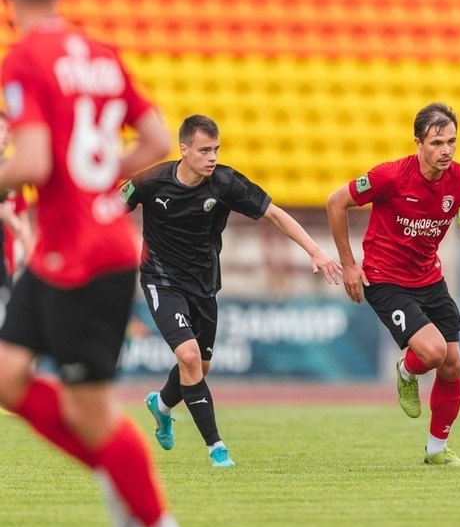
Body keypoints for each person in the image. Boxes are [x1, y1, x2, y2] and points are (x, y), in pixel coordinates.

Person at [0, 0, 183, 527]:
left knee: (90, 410)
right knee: (7, 377)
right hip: (69, 251)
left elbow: (30, 161)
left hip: (84, 258)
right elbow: (157, 140)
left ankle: (153, 520)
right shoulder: (103, 56)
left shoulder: (24, 61)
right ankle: (113, 467)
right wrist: (99, 184)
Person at [120, 114, 342, 468]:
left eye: (216, 149)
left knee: (200, 366)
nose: (212, 157)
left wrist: (314, 249)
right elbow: (107, 212)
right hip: (161, 281)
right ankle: (216, 448)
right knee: (189, 357)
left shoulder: (224, 182)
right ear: (184, 150)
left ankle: (161, 405)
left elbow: (275, 214)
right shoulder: (150, 181)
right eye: (205, 150)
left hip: (204, 285)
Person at [327, 102, 460, 467]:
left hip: (430, 278)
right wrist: (349, 265)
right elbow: (335, 202)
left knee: (454, 366)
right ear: (418, 143)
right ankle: (405, 370)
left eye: (451, 142)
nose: (446, 150)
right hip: (386, 280)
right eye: (436, 142)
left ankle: (436, 452)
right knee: (433, 353)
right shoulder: (390, 177)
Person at [0, 110, 34, 289]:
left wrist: (29, 258)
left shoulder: (14, 173)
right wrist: (7, 217)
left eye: (8, 130)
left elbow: (23, 221)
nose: (5, 135)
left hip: (7, 267)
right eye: (0, 129)